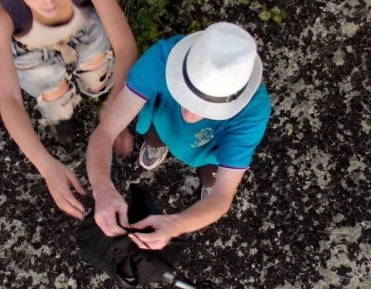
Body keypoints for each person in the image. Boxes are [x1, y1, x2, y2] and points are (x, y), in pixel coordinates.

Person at [0, 0, 138, 219]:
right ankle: (58, 108)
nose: (49, 2)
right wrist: (46, 165)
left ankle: (95, 86)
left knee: (98, 74)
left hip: (80, 28)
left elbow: (124, 44)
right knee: (50, 86)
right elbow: (8, 97)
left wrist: (117, 110)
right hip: (28, 46)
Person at [86, 22, 272, 250]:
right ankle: (157, 145)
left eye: (205, 108)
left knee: (212, 174)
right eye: (185, 94)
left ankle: (207, 177)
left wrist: (176, 224)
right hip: (162, 123)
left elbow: (223, 196)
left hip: (209, 152)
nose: (188, 113)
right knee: (154, 134)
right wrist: (102, 188)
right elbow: (105, 132)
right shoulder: (161, 57)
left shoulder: (254, 111)